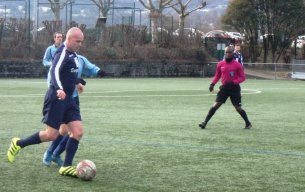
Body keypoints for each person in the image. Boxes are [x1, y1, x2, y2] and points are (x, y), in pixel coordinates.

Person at [7, 27, 85, 178]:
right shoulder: (61, 52)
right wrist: (59, 89)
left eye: (82, 41)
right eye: (78, 41)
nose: (80, 44)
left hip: (69, 99)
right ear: (69, 40)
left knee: (78, 132)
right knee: (51, 135)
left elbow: (70, 71)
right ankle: (18, 144)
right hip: (57, 98)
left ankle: (66, 167)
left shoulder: (73, 53)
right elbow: (54, 71)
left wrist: (78, 82)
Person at [43, 54, 106, 167]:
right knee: (63, 129)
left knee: (74, 131)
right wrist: (56, 91)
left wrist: (99, 71)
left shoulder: (80, 59)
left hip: (74, 99)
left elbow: (90, 67)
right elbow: (52, 77)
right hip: (60, 98)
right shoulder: (61, 58)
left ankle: (56, 154)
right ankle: (49, 153)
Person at [198, 46, 252, 129]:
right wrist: (212, 84)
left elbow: (242, 77)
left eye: (229, 52)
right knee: (216, 105)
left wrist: (233, 82)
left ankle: (248, 123)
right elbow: (217, 75)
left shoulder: (237, 65)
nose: (227, 54)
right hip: (224, 88)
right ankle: (204, 122)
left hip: (234, 89)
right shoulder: (220, 64)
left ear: (232, 53)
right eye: (226, 52)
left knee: (238, 108)